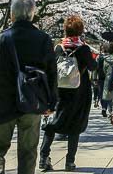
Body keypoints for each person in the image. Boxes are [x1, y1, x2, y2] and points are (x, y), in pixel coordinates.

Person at [0, 0, 57, 174]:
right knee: (28, 151)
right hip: (32, 100)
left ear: (12, 15)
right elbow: (52, 73)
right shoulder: (43, 39)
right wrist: (52, 102)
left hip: (3, 101)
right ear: (32, 14)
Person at [39, 15, 96, 172]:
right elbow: (93, 66)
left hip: (60, 91)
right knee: (75, 126)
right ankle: (70, 162)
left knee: (52, 123)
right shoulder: (84, 49)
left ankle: (43, 157)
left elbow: (49, 68)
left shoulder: (58, 48)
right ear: (80, 30)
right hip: (80, 91)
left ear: (65, 30)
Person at [99, 42, 113, 118]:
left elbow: (104, 70)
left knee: (107, 94)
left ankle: (107, 109)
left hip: (107, 78)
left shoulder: (105, 59)